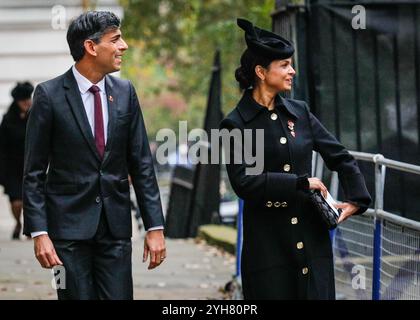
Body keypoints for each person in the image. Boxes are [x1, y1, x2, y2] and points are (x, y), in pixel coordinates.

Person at [220, 18, 372, 300]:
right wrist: (300, 183)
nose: (292, 71)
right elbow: (244, 182)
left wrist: (356, 201)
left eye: (291, 64)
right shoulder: (236, 123)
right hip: (268, 248)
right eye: (284, 65)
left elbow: (340, 157)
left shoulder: (299, 112)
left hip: (312, 243)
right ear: (261, 72)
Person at [23, 11, 166, 300]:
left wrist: (155, 227)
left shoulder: (125, 92)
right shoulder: (49, 95)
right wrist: (39, 233)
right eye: (115, 40)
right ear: (91, 47)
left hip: (115, 229)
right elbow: (33, 172)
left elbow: (141, 164)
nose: (123, 46)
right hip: (66, 235)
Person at [0, 82, 33, 239]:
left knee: (31, 200)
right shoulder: (8, 120)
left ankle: (30, 226)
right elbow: (2, 146)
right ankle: (18, 223)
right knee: (17, 202)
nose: (27, 103)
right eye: (23, 100)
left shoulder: (36, 115)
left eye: (28, 99)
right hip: (12, 167)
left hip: (31, 164)